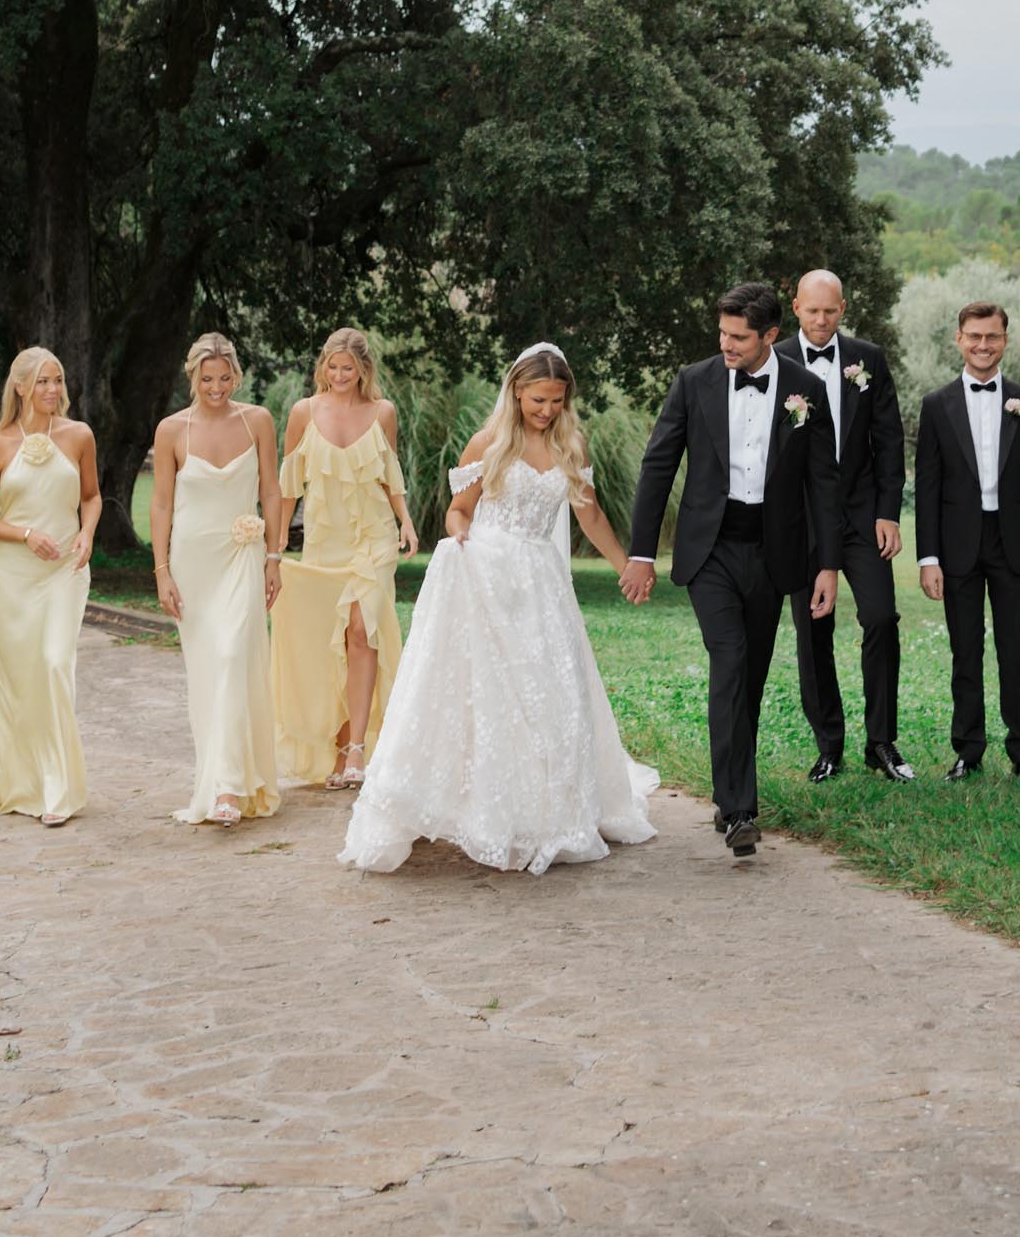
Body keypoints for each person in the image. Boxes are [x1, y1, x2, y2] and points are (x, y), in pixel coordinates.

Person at [338, 344, 656, 876]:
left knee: (550, 693)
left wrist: (628, 565)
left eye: (556, 400)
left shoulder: (570, 445)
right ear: (516, 392)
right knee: (490, 695)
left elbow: (591, 515)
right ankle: (485, 809)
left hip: (542, 587)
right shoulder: (489, 444)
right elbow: (457, 512)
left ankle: (549, 812)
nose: (547, 410)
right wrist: (464, 543)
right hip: (488, 579)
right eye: (538, 399)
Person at [620, 283, 840, 860]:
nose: (726, 345)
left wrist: (828, 566)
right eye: (722, 333)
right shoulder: (694, 382)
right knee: (732, 660)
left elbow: (824, 483)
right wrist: (641, 553)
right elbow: (659, 464)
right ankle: (740, 808)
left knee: (753, 676)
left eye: (738, 336)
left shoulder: (806, 389)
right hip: (710, 551)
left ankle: (727, 791)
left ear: (770, 335)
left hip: (775, 553)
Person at [775, 268, 911, 783]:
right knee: (814, 633)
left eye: (830, 311)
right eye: (812, 310)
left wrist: (888, 512)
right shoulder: (778, 360)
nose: (821, 320)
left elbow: (889, 440)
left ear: (844, 309)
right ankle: (829, 745)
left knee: (880, 618)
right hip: (802, 523)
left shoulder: (868, 360)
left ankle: (881, 742)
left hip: (861, 517)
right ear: (796, 308)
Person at [915, 302, 1020, 783]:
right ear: (959, 339)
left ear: (1005, 340)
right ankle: (968, 751)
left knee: (1014, 652)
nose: (982, 345)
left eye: (991, 337)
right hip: (957, 546)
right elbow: (929, 487)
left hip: (1014, 543)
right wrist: (928, 557)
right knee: (965, 652)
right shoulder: (936, 406)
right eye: (974, 336)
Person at [271, 328, 414, 788]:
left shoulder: (383, 412)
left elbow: (390, 475)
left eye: (347, 369)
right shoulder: (303, 413)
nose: (338, 376)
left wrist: (406, 521)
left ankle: (357, 751)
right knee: (328, 644)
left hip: (374, 536)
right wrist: (274, 551)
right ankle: (337, 747)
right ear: (322, 368)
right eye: (331, 368)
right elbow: (288, 489)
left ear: (363, 370)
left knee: (360, 629)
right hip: (324, 542)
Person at [151, 332, 282, 827]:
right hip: (192, 563)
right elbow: (161, 503)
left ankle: (229, 787)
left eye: (225, 378)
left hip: (242, 555)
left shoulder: (258, 421)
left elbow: (271, 489)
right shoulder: (171, 430)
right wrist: (161, 570)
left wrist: (273, 556)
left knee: (233, 656)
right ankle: (218, 777)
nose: (217, 387)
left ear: (236, 377)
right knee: (208, 671)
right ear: (193, 378)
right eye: (208, 379)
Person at [0, 347, 101, 826]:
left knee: (52, 664)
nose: (52, 390)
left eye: (58, 380)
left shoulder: (79, 435)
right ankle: (24, 785)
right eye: (43, 381)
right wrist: (26, 534)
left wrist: (86, 534)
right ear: (21, 386)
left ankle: (59, 790)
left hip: (65, 570)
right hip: (15, 578)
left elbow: (91, 496)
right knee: (21, 681)